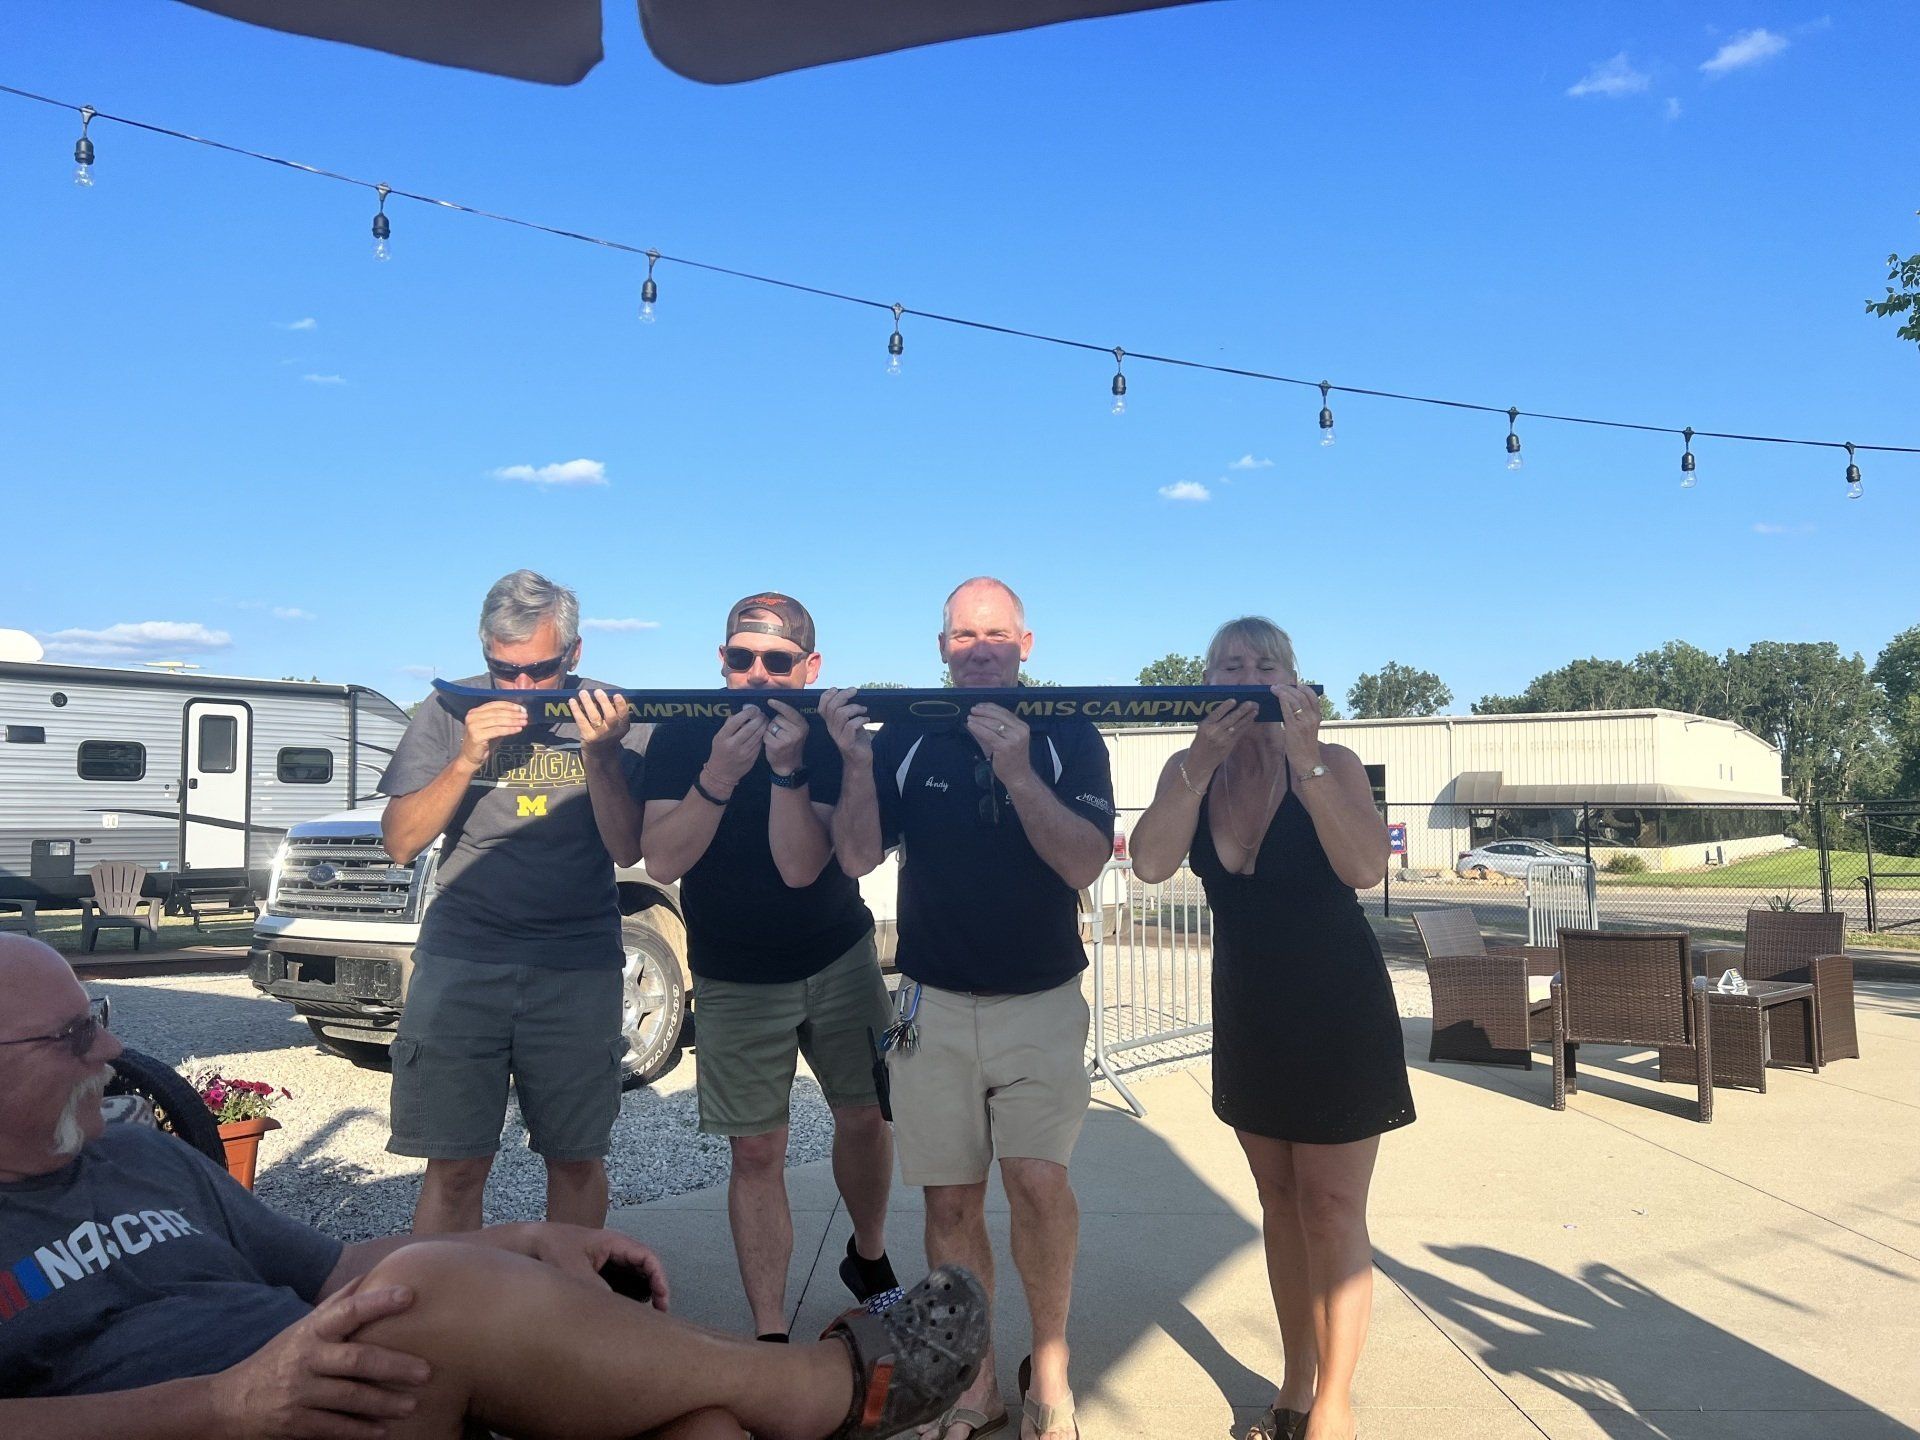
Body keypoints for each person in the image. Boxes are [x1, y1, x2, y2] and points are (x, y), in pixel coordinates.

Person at [0, 934, 989, 1440]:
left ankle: (773, 1396)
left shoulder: (140, 1158)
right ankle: (818, 1390)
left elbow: (331, 1265)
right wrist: (220, 1406)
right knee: (427, 1292)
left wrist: (520, 1242)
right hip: (221, 1423)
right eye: (74, 1035)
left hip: (342, 1388)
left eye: (101, 1015)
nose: (116, 1052)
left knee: (703, 1426)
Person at [818, 577, 1113, 1440]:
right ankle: (974, 1379)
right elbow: (859, 852)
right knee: (948, 1204)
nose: (979, 647)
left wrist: (1019, 769)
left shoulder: (1065, 729)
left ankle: (1049, 1374)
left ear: (1026, 642)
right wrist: (857, 764)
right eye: (962, 635)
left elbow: (1084, 862)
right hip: (931, 1002)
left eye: (995, 634)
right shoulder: (909, 730)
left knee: (1038, 1182)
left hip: (1042, 998)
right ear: (940, 647)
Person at [1128, 616, 1413, 1440]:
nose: (1245, 676)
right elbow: (1148, 863)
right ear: (1205, 684)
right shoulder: (1196, 772)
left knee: (1331, 1207)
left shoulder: (1334, 763)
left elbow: (1363, 867)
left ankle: (1335, 1405)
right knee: (1280, 1203)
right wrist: (1199, 762)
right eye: (1228, 666)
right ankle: (1294, 1383)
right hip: (1250, 1006)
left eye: (1263, 665)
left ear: (1292, 681)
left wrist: (1307, 757)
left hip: (1336, 1006)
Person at [639, 592, 897, 1339]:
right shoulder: (685, 736)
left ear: (809, 667)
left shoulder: (824, 736)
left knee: (865, 1117)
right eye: (739, 657)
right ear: (720, 660)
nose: (756, 673)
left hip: (835, 950)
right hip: (735, 965)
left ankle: (869, 1254)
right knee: (756, 1149)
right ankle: (770, 1329)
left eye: (776, 660)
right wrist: (720, 773)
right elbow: (662, 856)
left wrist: (785, 770)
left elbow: (800, 868)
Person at [379, 568, 647, 1233]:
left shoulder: (611, 714)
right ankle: (447, 1321)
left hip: (576, 963)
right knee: (455, 1164)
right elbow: (400, 843)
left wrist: (603, 757)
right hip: (463, 957)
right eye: (505, 671)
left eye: (542, 671)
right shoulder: (448, 708)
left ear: (575, 654)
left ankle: (565, 1316)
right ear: (484, 650)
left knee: (576, 1159)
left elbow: (625, 848)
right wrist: (468, 755)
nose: (524, 688)